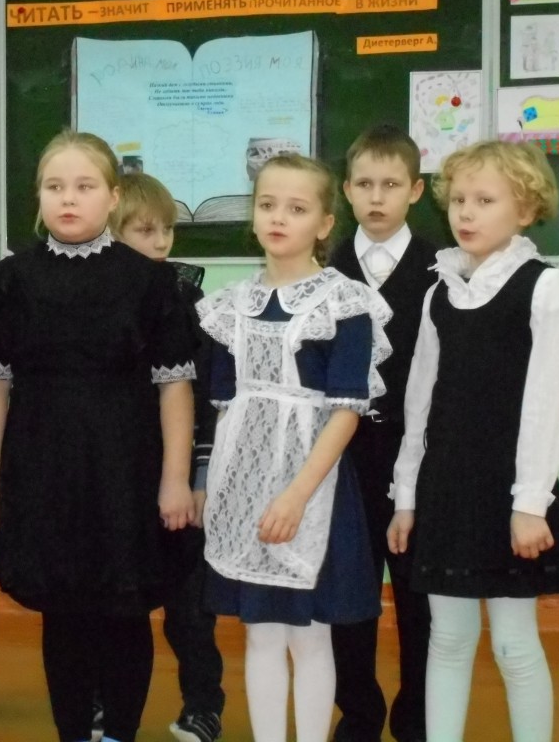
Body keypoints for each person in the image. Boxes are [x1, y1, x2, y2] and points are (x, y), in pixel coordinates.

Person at [0, 129, 197, 742]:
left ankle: (118, 732)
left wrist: (176, 480)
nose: (68, 198)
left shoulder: (151, 283)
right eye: (54, 186)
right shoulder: (8, 283)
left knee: (124, 609)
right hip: (42, 469)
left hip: (126, 469)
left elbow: (175, 388)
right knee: (63, 612)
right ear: (38, 196)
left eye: (85, 186)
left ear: (113, 197)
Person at [387, 140, 559, 742]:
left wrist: (530, 503)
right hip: (446, 488)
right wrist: (406, 497)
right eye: (459, 200)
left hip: (509, 492)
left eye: (485, 201)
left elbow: (550, 404)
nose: (465, 213)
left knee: (514, 645)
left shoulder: (546, 287)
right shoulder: (439, 291)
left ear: (525, 210)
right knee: (447, 638)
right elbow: (419, 404)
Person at [197, 154, 390, 742]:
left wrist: (296, 496)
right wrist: (217, 489)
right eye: (267, 205)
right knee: (260, 632)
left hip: (313, 490)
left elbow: (346, 410)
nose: (278, 217)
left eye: (297, 208)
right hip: (245, 486)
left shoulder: (344, 302)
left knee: (309, 635)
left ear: (325, 223)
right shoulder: (229, 306)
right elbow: (225, 406)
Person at [327, 124, 436, 742]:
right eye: (364, 184)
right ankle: (359, 710)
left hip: (417, 453)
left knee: (418, 592)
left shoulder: (442, 267)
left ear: (415, 190)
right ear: (345, 190)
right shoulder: (326, 267)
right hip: (342, 453)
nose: (376, 197)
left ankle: (416, 713)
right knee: (351, 585)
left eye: (391, 185)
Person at [109, 172, 224, 742]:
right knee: (115, 604)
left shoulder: (188, 304)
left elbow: (205, 401)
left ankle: (204, 705)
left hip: (179, 482)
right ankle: (108, 703)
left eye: (167, 231)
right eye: (145, 231)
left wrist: (197, 476)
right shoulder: (94, 302)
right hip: (118, 479)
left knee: (189, 610)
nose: (161, 243)